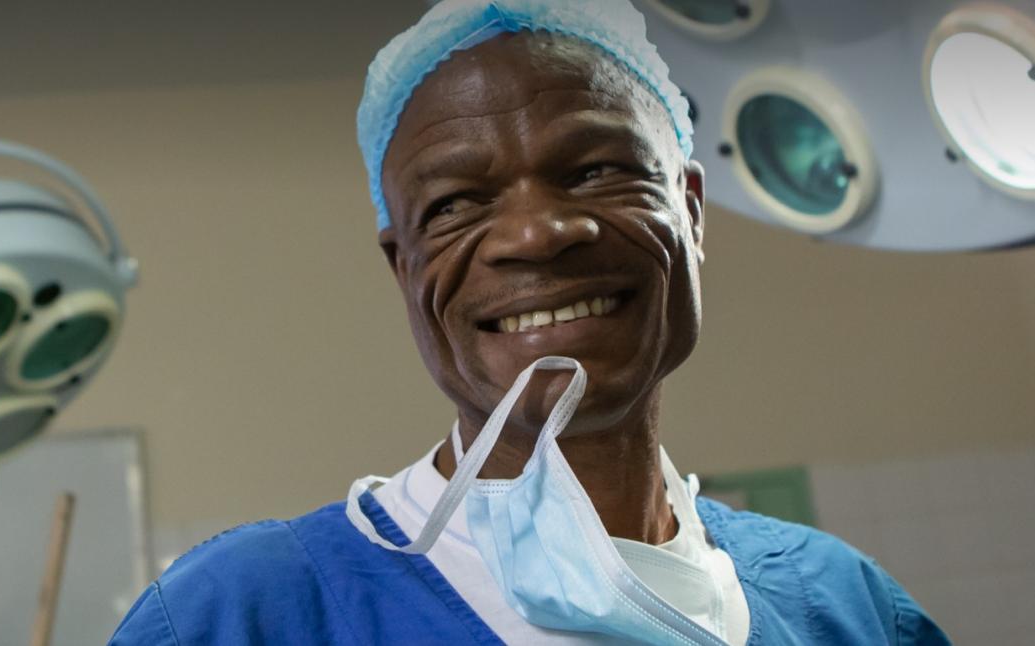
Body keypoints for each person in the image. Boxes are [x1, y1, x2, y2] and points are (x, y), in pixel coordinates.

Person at [109, 1, 948, 644]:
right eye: (457, 203)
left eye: (594, 170)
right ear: (403, 267)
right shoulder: (244, 616)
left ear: (692, 214)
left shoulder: (843, 607)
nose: (536, 234)